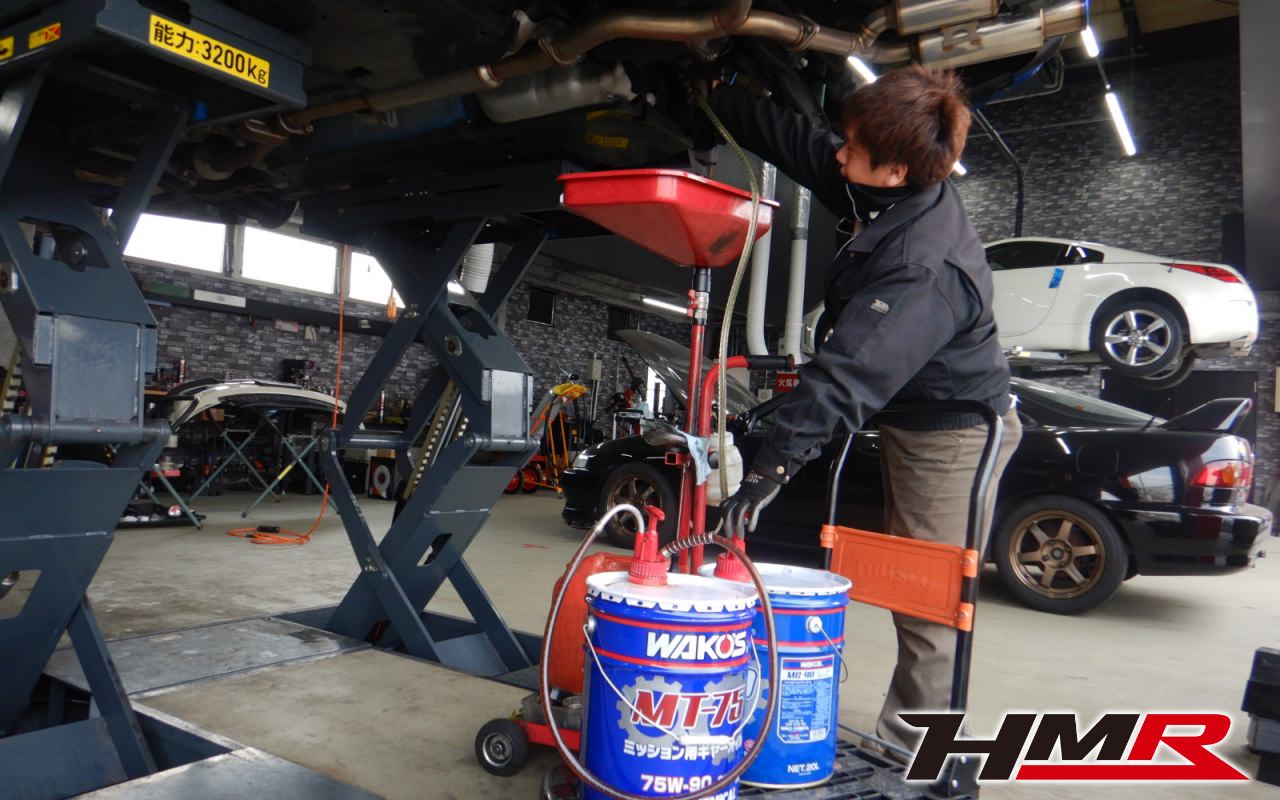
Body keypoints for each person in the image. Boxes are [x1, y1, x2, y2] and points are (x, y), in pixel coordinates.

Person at [712, 67, 1023, 759]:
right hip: (910, 417)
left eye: (853, 148)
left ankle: (924, 755)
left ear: (895, 170)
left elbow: (846, 374)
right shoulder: (889, 184)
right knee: (916, 587)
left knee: (927, 598)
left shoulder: (924, 267)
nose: (840, 155)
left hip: (952, 436)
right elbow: (803, 146)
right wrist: (718, 94)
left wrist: (767, 473)